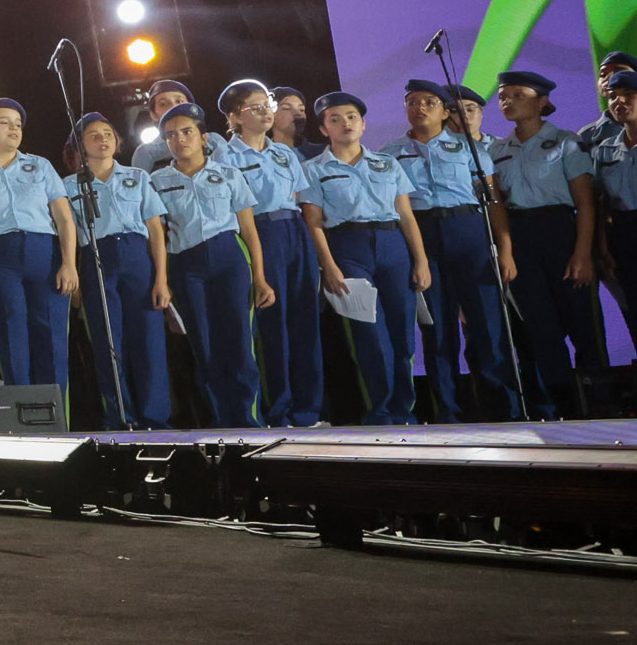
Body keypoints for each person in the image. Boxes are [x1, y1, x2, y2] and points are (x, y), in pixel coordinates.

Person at [382, 80, 521, 421]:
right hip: (421, 235)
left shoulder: (470, 149)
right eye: (412, 101)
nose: (420, 107)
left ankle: (504, 408)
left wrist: (505, 250)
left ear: (445, 111)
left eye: (429, 101)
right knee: (437, 329)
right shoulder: (389, 155)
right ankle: (449, 411)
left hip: (468, 231)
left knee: (487, 324)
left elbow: (493, 202)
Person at [300, 91, 431, 426]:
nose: (345, 123)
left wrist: (421, 261)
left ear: (363, 123)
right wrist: (328, 266)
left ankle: (405, 411)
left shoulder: (386, 163)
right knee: (369, 337)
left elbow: (406, 216)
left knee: (403, 334)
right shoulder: (313, 170)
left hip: (392, 245)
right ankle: (381, 411)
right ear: (323, 129)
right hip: (347, 248)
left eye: (351, 117)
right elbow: (313, 222)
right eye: (335, 119)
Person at [488, 69, 605, 418]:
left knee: (584, 325)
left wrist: (582, 253)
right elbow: (496, 204)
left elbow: (585, 201)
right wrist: (506, 251)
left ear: (542, 101)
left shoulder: (566, 141)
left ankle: (598, 405)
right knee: (541, 330)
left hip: (561, 232)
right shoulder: (497, 150)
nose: (506, 100)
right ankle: (562, 408)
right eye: (502, 96)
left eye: (517, 94)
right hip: (520, 236)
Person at [156, 103, 273, 427]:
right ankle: (222, 424)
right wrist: (163, 281)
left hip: (229, 260)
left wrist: (260, 278)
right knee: (204, 347)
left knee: (239, 344)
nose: (179, 140)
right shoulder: (157, 181)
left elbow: (249, 230)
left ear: (203, 137)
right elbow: (160, 236)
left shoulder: (228, 174)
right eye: (171, 135)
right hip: (186, 265)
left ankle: (249, 423)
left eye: (187, 132)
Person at [218, 81, 324, 426]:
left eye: (268, 104)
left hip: (294, 230)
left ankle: (308, 411)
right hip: (259, 233)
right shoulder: (225, 157)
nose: (266, 111)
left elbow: (299, 198)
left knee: (306, 321)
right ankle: (278, 412)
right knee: (271, 326)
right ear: (235, 116)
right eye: (255, 107)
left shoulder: (284, 152)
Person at [0, 98, 78, 389]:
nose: (14, 129)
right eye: (4, 122)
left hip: (44, 255)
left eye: (18, 124)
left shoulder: (40, 166)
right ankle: (26, 417)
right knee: (12, 339)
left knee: (52, 338)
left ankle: (59, 421)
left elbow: (63, 219)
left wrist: (69, 263)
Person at [66, 114, 170, 430]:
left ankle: (155, 418)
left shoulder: (137, 176)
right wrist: (75, 285)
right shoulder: (68, 186)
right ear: (80, 146)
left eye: (108, 133)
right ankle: (121, 417)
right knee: (109, 342)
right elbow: (66, 235)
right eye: (94, 135)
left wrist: (161, 279)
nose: (103, 140)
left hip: (138, 258)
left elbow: (155, 231)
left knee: (149, 342)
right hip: (97, 257)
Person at [590, 67, 637, 363]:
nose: (619, 102)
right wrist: (603, 246)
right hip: (628, 235)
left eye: (629, 96)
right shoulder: (606, 150)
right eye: (613, 96)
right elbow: (600, 202)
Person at [129, 80, 193, 172]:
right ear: (153, 115)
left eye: (179, 101)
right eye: (163, 104)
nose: (173, 107)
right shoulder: (145, 153)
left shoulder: (213, 142)